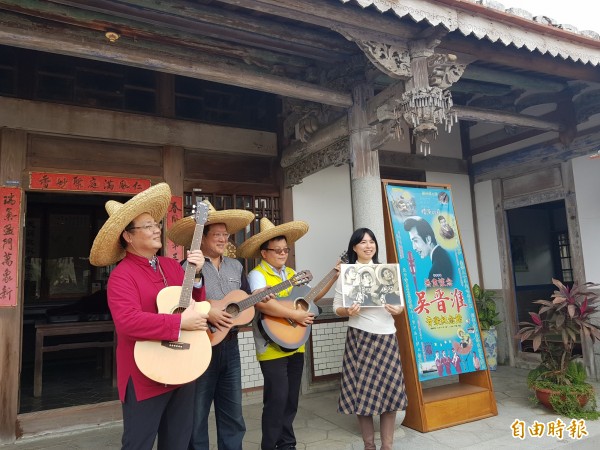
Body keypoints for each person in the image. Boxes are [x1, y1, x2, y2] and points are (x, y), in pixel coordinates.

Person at [89, 183, 209, 450]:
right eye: (147, 226)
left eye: (156, 223)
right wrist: (179, 322)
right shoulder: (122, 275)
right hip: (144, 373)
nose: (157, 229)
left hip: (182, 365)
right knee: (138, 443)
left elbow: (195, 306)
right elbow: (127, 322)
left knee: (178, 441)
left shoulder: (171, 265)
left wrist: (198, 276)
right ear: (128, 237)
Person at [238, 217, 336, 450]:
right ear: (264, 253)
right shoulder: (257, 275)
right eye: (277, 250)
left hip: (295, 343)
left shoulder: (292, 273)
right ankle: (270, 445)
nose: (283, 254)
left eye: (285, 250)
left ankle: (287, 444)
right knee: (276, 399)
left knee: (291, 398)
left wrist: (334, 274)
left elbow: (310, 298)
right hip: (270, 347)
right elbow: (262, 304)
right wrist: (295, 316)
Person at [167, 202, 255, 450]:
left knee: (233, 414)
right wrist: (208, 312)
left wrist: (260, 298)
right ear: (203, 238)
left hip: (231, 347)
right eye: (216, 234)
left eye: (225, 235)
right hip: (200, 347)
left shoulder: (236, 266)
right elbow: (181, 305)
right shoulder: (188, 268)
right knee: (197, 415)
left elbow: (245, 302)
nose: (222, 239)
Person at [333, 228, 407, 450]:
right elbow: (337, 306)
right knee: (361, 393)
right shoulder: (347, 274)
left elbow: (400, 305)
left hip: (387, 336)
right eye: (363, 242)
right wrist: (348, 312)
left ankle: (387, 446)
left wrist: (398, 309)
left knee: (391, 393)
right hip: (360, 336)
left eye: (372, 241)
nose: (368, 245)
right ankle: (369, 446)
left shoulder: (385, 272)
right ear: (354, 247)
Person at [404, 216, 453, 282]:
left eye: (415, 241)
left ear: (428, 239)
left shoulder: (435, 270)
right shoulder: (444, 255)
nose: (414, 247)